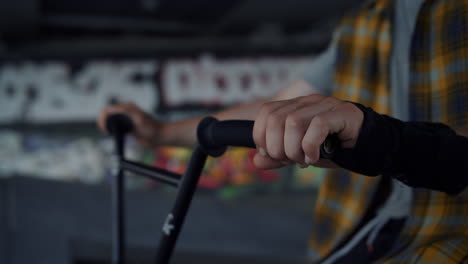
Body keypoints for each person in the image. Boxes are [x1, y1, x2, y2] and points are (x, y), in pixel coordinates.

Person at [98, 0, 468, 262]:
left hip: (450, 236)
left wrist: (382, 139)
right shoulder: (365, 22)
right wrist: (161, 132)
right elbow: (282, 106)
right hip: (366, 229)